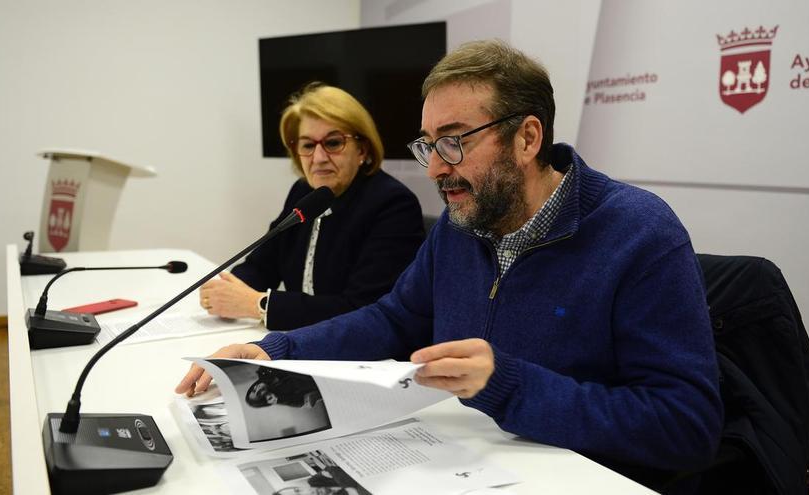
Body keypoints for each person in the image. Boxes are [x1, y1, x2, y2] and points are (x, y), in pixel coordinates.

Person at [178, 40, 723, 488]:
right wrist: (274, 350)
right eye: (429, 145)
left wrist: (507, 384)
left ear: (528, 137)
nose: (436, 168)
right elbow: (392, 319)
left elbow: (685, 425)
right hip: (464, 462)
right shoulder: (461, 224)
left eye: (455, 142)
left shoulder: (639, 233)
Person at [199, 83, 425, 330]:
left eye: (333, 143)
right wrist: (225, 290)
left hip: (365, 358)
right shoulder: (304, 193)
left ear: (362, 149)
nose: (318, 158)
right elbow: (263, 265)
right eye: (307, 145)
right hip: (302, 342)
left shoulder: (393, 205)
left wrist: (260, 304)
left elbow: (363, 308)